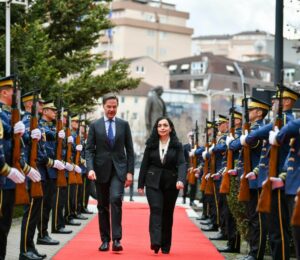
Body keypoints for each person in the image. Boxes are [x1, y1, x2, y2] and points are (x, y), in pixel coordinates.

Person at [86, 93, 134, 252]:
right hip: (100, 171)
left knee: (115, 200)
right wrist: (90, 168)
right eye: (109, 107)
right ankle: (105, 240)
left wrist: (130, 172)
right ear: (103, 107)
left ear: (117, 107)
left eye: (114, 107)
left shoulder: (124, 125)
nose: (112, 109)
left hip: (119, 171)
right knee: (102, 206)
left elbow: (130, 151)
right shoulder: (94, 126)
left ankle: (117, 239)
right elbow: (89, 151)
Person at [138, 116, 186, 254]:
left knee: (167, 213)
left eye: (165, 125)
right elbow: (144, 164)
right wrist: (140, 184)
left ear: (170, 128)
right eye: (159, 125)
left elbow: (182, 163)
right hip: (153, 182)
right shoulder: (151, 144)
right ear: (156, 128)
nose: (162, 128)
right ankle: (155, 241)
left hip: (172, 183)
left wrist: (181, 179)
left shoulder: (177, 145)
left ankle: (166, 245)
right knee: (156, 209)